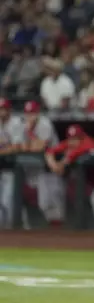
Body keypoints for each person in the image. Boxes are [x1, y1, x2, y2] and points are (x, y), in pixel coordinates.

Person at [0, 98, 25, 228]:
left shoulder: (16, 123)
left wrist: (3, 149)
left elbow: (16, 147)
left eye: (3, 109)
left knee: (8, 201)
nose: (1, 112)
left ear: (9, 110)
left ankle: (12, 231)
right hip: (2, 167)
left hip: (14, 169)